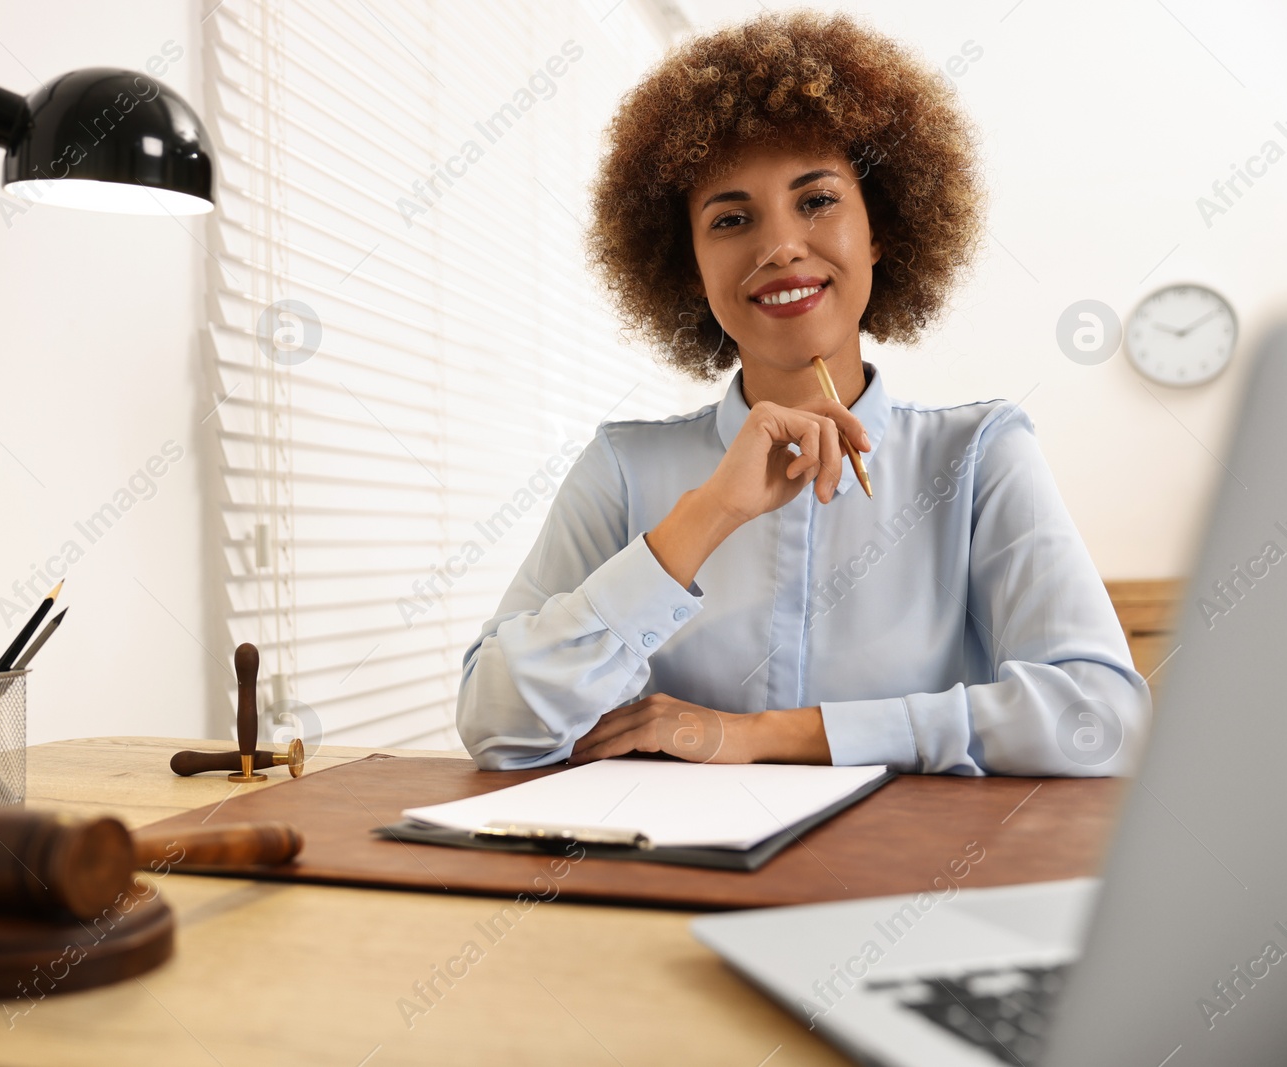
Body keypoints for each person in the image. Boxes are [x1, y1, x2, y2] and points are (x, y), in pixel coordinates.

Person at [454, 11, 1150, 776]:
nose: (780, 246)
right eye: (730, 218)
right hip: (670, 884)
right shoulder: (622, 468)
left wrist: (767, 735)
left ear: (878, 228)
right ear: (689, 265)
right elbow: (498, 726)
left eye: (816, 200)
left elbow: (1099, 718)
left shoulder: (980, 455)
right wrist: (708, 513)